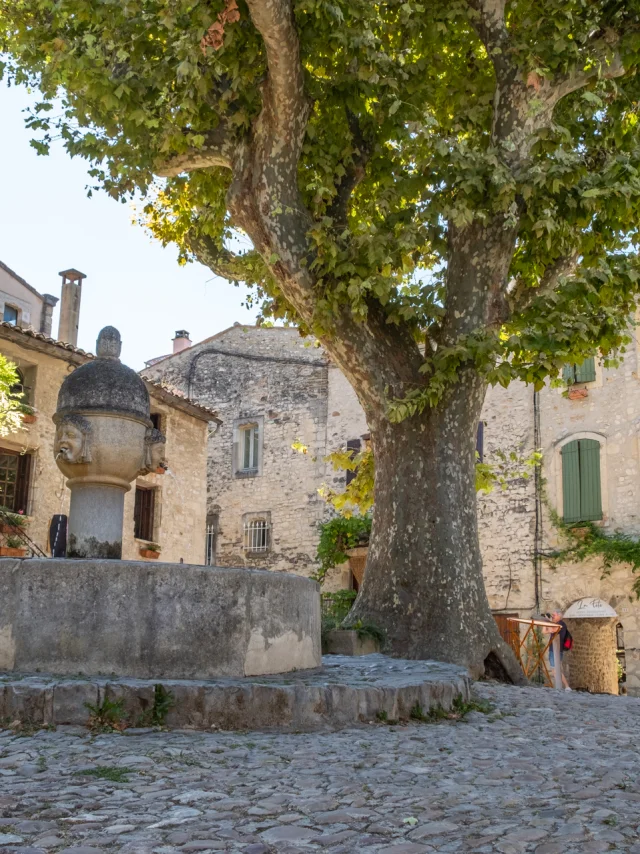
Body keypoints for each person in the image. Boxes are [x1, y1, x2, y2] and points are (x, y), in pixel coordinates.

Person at [546, 610, 572, 691]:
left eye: (554, 615)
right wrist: (545, 622)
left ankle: (566, 686)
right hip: (552, 648)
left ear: (559, 616)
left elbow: (551, 630)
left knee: (556, 669)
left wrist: (548, 621)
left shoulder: (561, 624)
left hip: (556, 649)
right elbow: (544, 631)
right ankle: (560, 686)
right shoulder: (555, 624)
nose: (552, 616)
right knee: (554, 669)